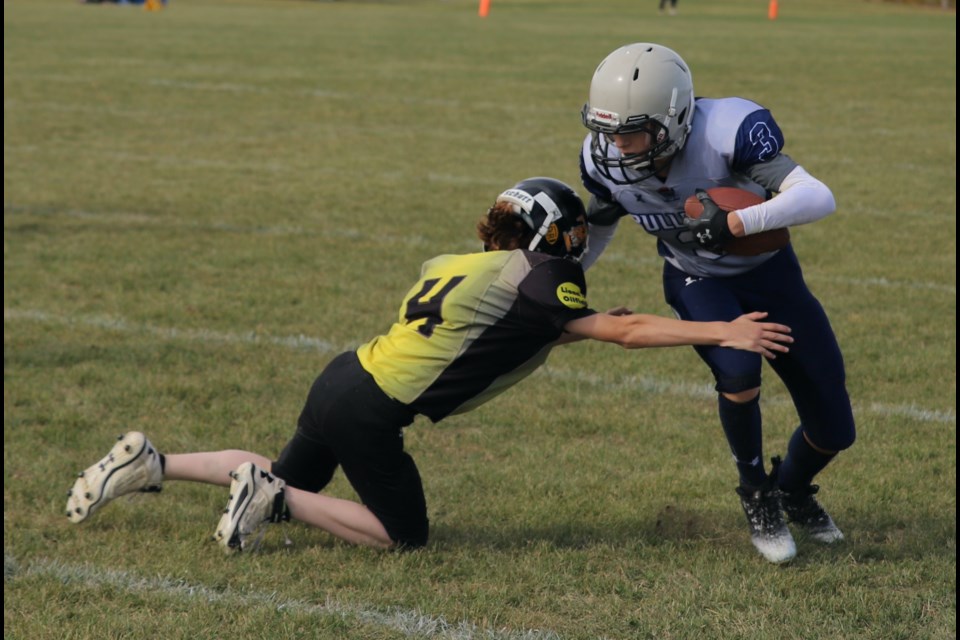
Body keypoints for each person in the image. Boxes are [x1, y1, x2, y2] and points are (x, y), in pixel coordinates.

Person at [65, 177, 793, 553]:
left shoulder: (463, 264)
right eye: (570, 229)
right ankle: (274, 500)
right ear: (548, 232)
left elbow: (519, 337)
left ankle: (155, 464)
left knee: (289, 474)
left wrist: (596, 327)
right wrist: (722, 329)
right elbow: (622, 330)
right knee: (401, 535)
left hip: (343, 377)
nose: (577, 241)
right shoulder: (540, 277)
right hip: (373, 409)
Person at [578, 43, 855, 564]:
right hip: (696, 279)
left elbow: (817, 196)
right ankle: (755, 493)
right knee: (738, 368)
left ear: (676, 119)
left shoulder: (728, 129)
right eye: (608, 131)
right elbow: (598, 226)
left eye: (632, 132)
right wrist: (568, 288)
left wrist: (737, 221)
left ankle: (790, 489)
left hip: (771, 277)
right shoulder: (603, 158)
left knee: (834, 427)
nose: (618, 146)